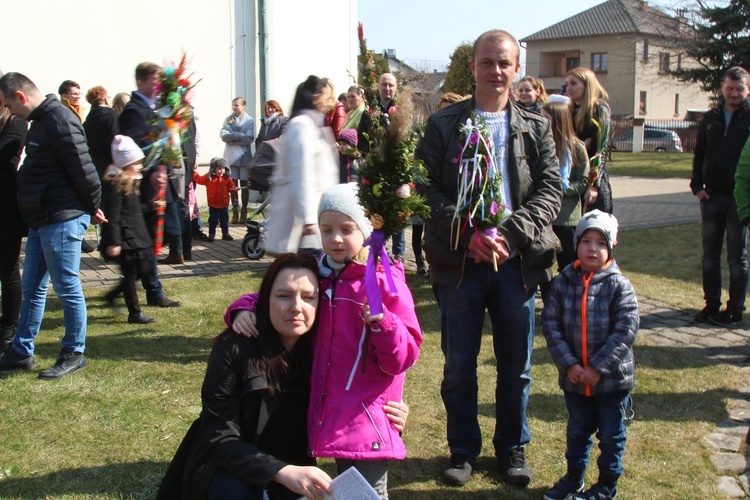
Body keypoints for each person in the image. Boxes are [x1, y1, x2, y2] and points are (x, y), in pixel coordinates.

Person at [415, 29, 562, 487]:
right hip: (460, 264)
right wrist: (466, 234)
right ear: (473, 67)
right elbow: (425, 188)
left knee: (515, 365)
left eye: (504, 63)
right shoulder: (443, 125)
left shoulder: (536, 126)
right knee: (459, 363)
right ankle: (462, 449)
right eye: (486, 62)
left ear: (517, 68)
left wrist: (511, 236)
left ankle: (511, 447)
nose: (495, 71)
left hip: (516, 264)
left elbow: (550, 190)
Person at [158, 252, 410, 499]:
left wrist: (384, 415)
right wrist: (281, 471)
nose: (296, 308)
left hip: (294, 473)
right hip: (227, 471)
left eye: (309, 297)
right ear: (266, 299)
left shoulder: (326, 356)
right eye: (283, 296)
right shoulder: (234, 348)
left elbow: (362, 385)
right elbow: (219, 437)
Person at [226, 183, 422, 498]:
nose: (336, 238)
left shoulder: (384, 282)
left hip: (365, 415)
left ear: (366, 229)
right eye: (327, 229)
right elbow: (276, 293)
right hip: (316, 403)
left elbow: (402, 357)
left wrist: (384, 323)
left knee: (364, 493)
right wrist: (243, 309)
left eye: (346, 229)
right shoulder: (316, 272)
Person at [0, 72, 106, 379]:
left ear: (20, 97)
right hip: (42, 219)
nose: (10, 113)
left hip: (62, 217)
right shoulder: (42, 120)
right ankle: (21, 351)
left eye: (9, 104)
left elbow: (85, 169)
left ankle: (74, 352)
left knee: (66, 287)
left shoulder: (59, 119)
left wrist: (93, 207)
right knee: (32, 288)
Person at [541, 210, 639, 500]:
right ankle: (574, 478)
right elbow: (551, 325)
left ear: (610, 247)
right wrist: (569, 364)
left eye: (600, 242)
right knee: (577, 433)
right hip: (575, 381)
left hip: (610, 383)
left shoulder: (618, 285)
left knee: (611, 436)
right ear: (576, 243)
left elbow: (625, 330)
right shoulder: (562, 283)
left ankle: (607, 485)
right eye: (586, 241)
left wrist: (597, 367)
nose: (592, 248)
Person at [117, 62, 181, 307]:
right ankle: (153, 291)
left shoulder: (155, 108)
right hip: (143, 186)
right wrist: (153, 169)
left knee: (151, 241)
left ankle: (131, 287)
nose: (158, 86)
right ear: (140, 82)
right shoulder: (135, 109)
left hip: (158, 183)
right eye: (154, 81)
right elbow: (132, 149)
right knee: (145, 243)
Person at [692, 66, 750, 326]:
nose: (734, 93)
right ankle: (711, 304)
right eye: (730, 88)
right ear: (722, 89)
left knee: (737, 256)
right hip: (711, 197)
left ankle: (735, 308)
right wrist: (697, 187)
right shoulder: (710, 119)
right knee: (710, 255)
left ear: (748, 90)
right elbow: (699, 154)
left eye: (740, 88)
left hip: (739, 199)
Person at [267, 75, 338, 255]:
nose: (330, 102)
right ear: (315, 97)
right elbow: (301, 173)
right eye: (326, 96)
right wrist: (308, 219)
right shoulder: (302, 125)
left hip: (315, 216)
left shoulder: (314, 125)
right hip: (305, 222)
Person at [100, 135, 158, 325]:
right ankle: (135, 314)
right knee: (131, 275)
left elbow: (133, 209)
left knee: (144, 269)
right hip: (125, 238)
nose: (140, 166)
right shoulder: (116, 183)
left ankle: (111, 294)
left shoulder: (131, 182)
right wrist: (114, 241)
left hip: (137, 235)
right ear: (126, 163)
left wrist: (152, 206)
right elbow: (113, 215)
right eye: (137, 163)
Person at [540, 99, 590, 298]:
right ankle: (549, 304)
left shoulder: (576, 147)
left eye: (545, 118)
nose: (541, 121)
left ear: (558, 120)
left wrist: (562, 189)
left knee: (569, 265)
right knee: (543, 264)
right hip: (545, 217)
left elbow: (584, 180)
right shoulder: (541, 144)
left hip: (567, 216)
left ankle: (570, 303)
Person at [0, 84, 28, 351]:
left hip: (5, 207)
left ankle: (8, 327)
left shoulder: (15, 123)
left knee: (8, 270)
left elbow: (6, 159)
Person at [566, 67, 613, 214]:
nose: (569, 88)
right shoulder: (568, 109)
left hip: (592, 178)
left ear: (587, 85)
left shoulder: (599, 109)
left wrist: (594, 185)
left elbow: (601, 149)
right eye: (567, 84)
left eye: (573, 83)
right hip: (574, 176)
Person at [221, 97, 255, 224]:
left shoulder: (249, 121)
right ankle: (235, 210)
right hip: (231, 158)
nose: (234, 107)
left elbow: (249, 139)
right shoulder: (228, 119)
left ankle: (244, 210)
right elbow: (223, 136)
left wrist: (232, 137)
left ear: (243, 106)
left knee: (244, 185)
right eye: (233, 105)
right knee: (233, 185)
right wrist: (239, 135)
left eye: (237, 105)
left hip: (244, 157)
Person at [193, 157, 239, 242]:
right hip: (213, 204)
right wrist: (193, 172)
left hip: (224, 204)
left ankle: (225, 234)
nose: (221, 170)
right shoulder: (208, 177)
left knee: (224, 220)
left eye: (223, 168)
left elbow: (231, 188)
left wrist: (234, 189)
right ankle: (211, 234)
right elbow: (199, 180)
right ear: (213, 169)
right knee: (213, 220)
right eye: (219, 168)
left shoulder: (227, 178)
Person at [83, 85, 119, 178]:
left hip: (95, 171)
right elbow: (117, 142)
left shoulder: (86, 123)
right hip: (112, 170)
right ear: (106, 99)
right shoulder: (112, 117)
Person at [341, 85, 372, 154]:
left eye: (353, 96)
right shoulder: (352, 112)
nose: (350, 99)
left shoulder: (363, 113)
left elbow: (361, 138)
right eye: (348, 97)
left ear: (362, 98)